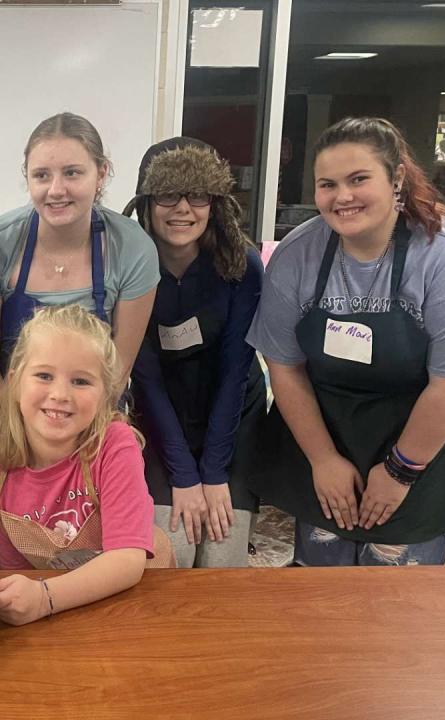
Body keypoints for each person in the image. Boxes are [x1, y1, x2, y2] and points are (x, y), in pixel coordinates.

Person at [247, 117, 445, 567]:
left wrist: (401, 472)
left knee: (396, 570)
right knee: (323, 560)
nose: (342, 196)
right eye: (328, 184)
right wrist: (323, 460)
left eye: (358, 179)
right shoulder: (298, 255)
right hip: (332, 423)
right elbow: (284, 366)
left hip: (428, 425)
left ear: (396, 178)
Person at [0, 112, 159, 454]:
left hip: (91, 425)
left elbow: (116, 372)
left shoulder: (132, 249)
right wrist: (19, 449)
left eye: (72, 173)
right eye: (42, 175)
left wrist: (67, 458)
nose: (56, 190)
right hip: (4, 426)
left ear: (101, 174)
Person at [123, 138, 266, 568]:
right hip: (159, 420)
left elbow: (235, 372)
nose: (183, 209)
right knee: (174, 549)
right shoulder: (130, 266)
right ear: (147, 200)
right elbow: (145, 377)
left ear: (215, 201)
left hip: (232, 419)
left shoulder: (241, 264)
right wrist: (185, 475)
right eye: (168, 194)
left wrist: (215, 473)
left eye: (198, 195)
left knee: (222, 553)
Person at [0, 305, 173, 627]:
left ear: (105, 395)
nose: (60, 394)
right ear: (14, 383)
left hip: (139, 608)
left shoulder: (115, 445)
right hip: (65, 618)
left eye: (81, 381)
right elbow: (18, 576)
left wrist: (43, 598)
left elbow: (127, 559)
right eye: (44, 376)